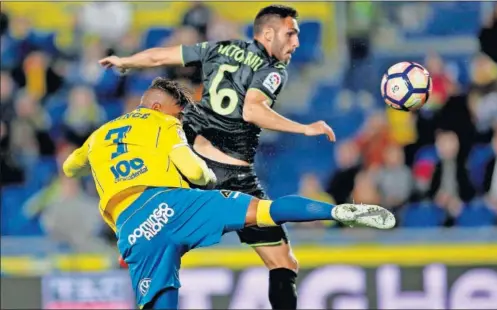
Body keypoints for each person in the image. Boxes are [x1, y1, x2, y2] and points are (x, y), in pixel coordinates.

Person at [63, 78, 395, 310]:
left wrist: (92, 163)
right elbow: (193, 170)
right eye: (178, 113)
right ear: (157, 105)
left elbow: (69, 167)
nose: (181, 119)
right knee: (264, 212)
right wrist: (208, 181)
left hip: (132, 230)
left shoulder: (98, 135)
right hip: (168, 205)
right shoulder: (162, 124)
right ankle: (335, 212)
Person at [98, 6, 336, 309]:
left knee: (156, 219)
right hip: (232, 173)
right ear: (268, 33)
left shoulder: (218, 48)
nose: (296, 43)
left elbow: (160, 57)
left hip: (192, 162)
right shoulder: (273, 70)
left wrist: (125, 61)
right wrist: (303, 128)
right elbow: (252, 110)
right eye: (290, 34)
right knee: (283, 264)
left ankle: (130, 241)